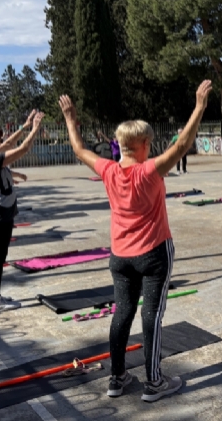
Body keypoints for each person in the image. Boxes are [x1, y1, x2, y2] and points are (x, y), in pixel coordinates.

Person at [58, 80, 212, 402]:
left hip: (120, 257)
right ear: (143, 143)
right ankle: (154, 383)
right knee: (152, 315)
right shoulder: (149, 172)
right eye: (151, 143)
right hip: (154, 253)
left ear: (119, 143)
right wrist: (198, 107)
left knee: (122, 313)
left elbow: (79, 150)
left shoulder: (109, 171)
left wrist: (71, 121)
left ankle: (117, 379)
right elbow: (182, 145)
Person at [0, 111, 43, 313]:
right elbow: (23, 148)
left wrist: (25, 125)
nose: (1, 142)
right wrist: (36, 129)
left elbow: (9, 144)